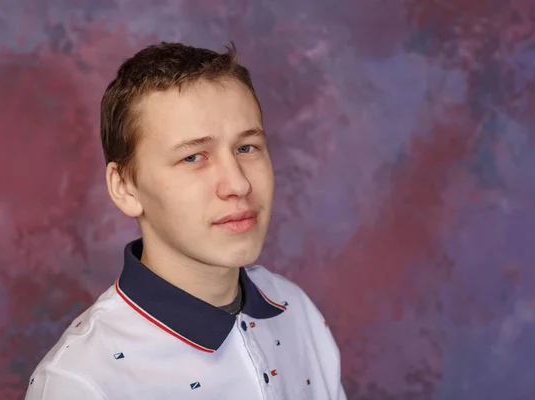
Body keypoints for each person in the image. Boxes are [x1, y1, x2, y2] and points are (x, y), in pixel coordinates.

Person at [25, 41, 346, 400]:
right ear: (125, 187)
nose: (239, 184)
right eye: (193, 157)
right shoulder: (81, 382)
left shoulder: (295, 310)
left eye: (246, 148)